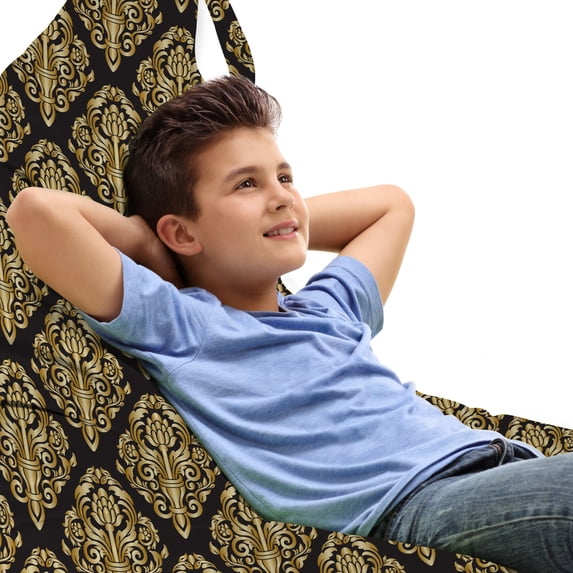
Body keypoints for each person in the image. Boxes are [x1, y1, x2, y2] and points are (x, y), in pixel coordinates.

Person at [7, 75, 573, 572]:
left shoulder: (329, 309)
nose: (281, 196)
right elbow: (36, 212)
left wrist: (279, 217)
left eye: (284, 177)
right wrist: (151, 246)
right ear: (180, 231)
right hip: (414, 505)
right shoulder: (190, 328)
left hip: (502, 462)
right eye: (246, 184)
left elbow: (392, 205)